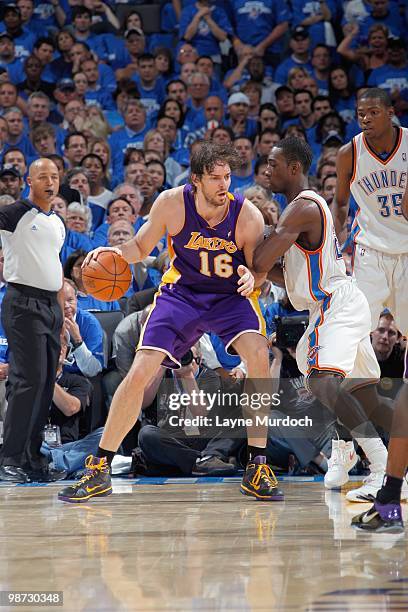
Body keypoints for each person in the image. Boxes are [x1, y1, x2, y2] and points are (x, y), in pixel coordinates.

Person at [58, 142, 283, 503]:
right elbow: (139, 248)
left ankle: (256, 464)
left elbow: (260, 270)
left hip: (229, 296)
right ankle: (99, 467)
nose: (224, 184)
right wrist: (112, 253)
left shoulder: (247, 215)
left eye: (227, 176)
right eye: (215, 178)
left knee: (258, 354)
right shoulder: (171, 203)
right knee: (141, 369)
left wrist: (251, 278)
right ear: (196, 179)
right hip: (182, 294)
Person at [252, 137, 396, 509]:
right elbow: (282, 274)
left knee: (320, 379)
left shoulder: (302, 207)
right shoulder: (296, 212)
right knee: (366, 395)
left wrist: (247, 237)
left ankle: (379, 465)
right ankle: (347, 449)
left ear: (295, 168)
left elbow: (260, 263)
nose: (268, 170)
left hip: (334, 304)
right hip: (340, 303)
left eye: (274, 163)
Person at [332, 87, 408, 500]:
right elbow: (341, 204)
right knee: (351, 352)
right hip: (370, 254)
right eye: (360, 113)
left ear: (391, 113)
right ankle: (348, 447)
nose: (365, 119)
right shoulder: (350, 153)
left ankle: (392, 466)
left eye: (373, 112)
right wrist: (338, 243)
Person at [0, 158, 65, 483]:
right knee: (27, 382)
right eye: (42, 176)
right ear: (29, 180)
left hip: (52, 306)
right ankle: (10, 458)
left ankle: (32, 458)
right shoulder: (16, 212)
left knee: (44, 383)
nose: (49, 181)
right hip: (22, 303)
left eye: (54, 176)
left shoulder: (57, 221)